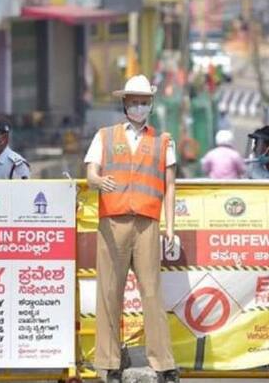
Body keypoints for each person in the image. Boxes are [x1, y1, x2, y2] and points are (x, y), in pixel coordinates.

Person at [84, 75, 180, 383]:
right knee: (109, 291)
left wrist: (170, 227)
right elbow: (90, 173)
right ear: (125, 103)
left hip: (147, 223)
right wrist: (98, 181)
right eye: (135, 101)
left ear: (150, 104)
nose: (139, 106)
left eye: (144, 101)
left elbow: (170, 186)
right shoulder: (105, 136)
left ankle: (163, 363)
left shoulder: (164, 140)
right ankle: (107, 363)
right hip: (112, 221)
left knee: (151, 291)